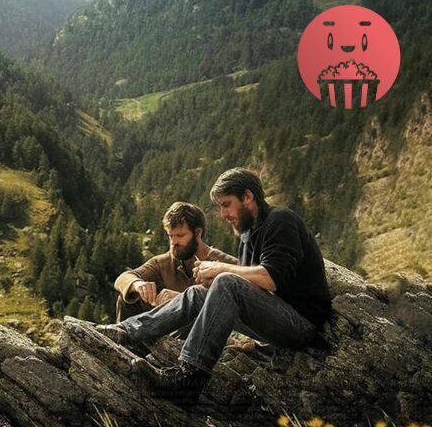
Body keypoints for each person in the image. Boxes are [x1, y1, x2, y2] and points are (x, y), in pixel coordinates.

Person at [97, 168, 332, 405]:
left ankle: (188, 379)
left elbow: (271, 278)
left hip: (302, 325)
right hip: (275, 320)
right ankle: (126, 332)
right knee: (198, 293)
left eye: (226, 205)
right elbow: (256, 290)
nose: (223, 214)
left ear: (248, 196)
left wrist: (220, 270)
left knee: (226, 282)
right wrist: (214, 288)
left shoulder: (281, 220)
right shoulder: (248, 236)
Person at [113, 202, 237, 323]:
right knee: (128, 297)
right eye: (170, 236)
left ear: (198, 233)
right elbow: (123, 278)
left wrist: (182, 300)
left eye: (180, 235)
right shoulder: (165, 262)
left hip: (207, 328)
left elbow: (235, 306)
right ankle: (123, 336)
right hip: (170, 328)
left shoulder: (227, 264)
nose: (173, 242)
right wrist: (138, 284)